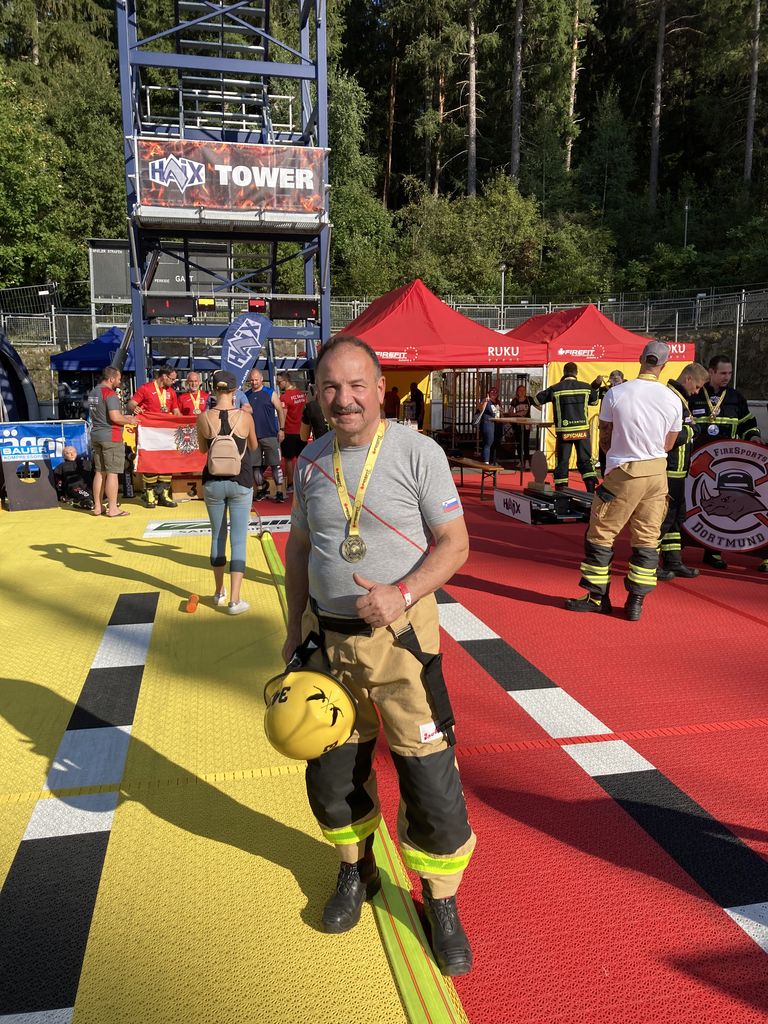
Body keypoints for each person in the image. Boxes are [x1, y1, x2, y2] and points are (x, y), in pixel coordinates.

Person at [283, 335, 476, 976]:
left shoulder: (418, 452)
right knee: (333, 776)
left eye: (357, 384)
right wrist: (292, 629)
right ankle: (356, 870)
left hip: (402, 645)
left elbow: (454, 544)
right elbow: (300, 550)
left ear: (379, 388)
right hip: (328, 645)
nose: (345, 399)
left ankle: (440, 901)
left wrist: (403, 592)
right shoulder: (311, 461)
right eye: (331, 387)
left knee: (431, 782)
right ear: (317, 394)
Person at [564, 341, 682, 621]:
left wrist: (618, 457)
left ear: (641, 359)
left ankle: (597, 597)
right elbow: (669, 444)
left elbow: (605, 437)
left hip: (625, 471)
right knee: (647, 539)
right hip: (658, 474)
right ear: (664, 365)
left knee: (601, 534)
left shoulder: (616, 393)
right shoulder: (673, 399)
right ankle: (635, 602)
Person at [689, 353, 764, 569]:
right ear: (711, 372)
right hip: (697, 464)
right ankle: (678, 549)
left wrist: (753, 436)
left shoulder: (736, 398)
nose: (727, 377)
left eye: (729, 373)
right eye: (722, 373)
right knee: (694, 504)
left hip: (726, 464)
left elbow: (747, 424)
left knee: (722, 508)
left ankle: (714, 551)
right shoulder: (695, 395)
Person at [196, 370, 259, 614]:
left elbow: (203, 450)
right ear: (235, 391)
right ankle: (235, 599)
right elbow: (253, 446)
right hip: (241, 480)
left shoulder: (203, 418)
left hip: (213, 481)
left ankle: (218, 591)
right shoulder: (245, 417)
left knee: (217, 536)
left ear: (213, 389)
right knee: (238, 540)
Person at [657, 362, 709, 580]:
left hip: (678, 472)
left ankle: (673, 561)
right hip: (668, 470)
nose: (696, 392)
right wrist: (692, 430)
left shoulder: (680, 399)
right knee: (662, 519)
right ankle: (648, 562)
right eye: (696, 387)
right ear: (688, 379)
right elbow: (667, 436)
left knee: (676, 518)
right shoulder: (670, 398)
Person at [534, 362, 599, 492]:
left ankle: (561, 491)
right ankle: (591, 491)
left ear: (564, 373)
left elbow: (537, 400)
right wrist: (595, 386)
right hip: (582, 431)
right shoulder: (585, 387)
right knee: (585, 460)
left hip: (564, 432)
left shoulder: (555, 388)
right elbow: (595, 401)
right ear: (576, 373)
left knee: (562, 462)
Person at [86, 366, 138, 517]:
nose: (120, 381)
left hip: (97, 434)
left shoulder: (94, 392)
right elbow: (115, 417)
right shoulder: (110, 394)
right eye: (119, 379)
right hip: (111, 436)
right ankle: (113, 508)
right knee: (112, 472)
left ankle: (98, 507)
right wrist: (130, 421)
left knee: (99, 472)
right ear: (111, 379)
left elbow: (103, 415)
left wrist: (123, 417)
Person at [128, 364, 181, 508]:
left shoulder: (171, 392)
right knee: (150, 461)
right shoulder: (146, 388)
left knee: (167, 460)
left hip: (166, 432)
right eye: (172, 379)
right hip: (150, 432)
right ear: (164, 376)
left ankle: (164, 493)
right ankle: (150, 493)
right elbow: (131, 403)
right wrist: (135, 408)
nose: (173, 382)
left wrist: (183, 421)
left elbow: (176, 411)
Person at [246, 368, 286, 503]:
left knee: (275, 464)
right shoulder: (246, 395)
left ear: (262, 379)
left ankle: (279, 492)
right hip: (253, 437)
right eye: (252, 380)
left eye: (256, 379)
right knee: (255, 466)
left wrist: (281, 429)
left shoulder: (270, 392)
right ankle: (260, 490)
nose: (254, 382)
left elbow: (280, 410)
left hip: (270, 434)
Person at [277, 372, 307, 492]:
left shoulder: (284, 397)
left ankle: (290, 484)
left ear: (285, 381)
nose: (278, 384)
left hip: (289, 431)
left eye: (279, 382)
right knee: (302, 458)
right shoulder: (301, 394)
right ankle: (303, 483)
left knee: (288, 459)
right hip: (302, 431)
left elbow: (283, 416)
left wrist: (281, 430)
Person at [593, 371, 626, 477]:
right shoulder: (605, 390)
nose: (614, 383)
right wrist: (596, 383)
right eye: (612, 380)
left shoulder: (626, 389)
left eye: (617, 380)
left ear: (622, 380)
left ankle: (620, 475)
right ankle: (604, 476)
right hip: (607, 425)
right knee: (604, 448)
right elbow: (592, 394)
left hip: (621, 425)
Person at [507, 383, 533, 467]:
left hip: (526, 424)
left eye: (523, 390)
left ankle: (527, 461)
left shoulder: (529, 399)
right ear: (517, 392)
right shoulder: (515, 400)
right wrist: (517, 414)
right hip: (517, 424)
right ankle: (521, 461)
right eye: (520, 390)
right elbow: (510, 412)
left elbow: (538, 406)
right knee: (519, 443)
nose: (521, 392)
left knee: (526, 443)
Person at [476, 385, 502, 464]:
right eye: (492, 391)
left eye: (496, 392)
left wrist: (501, 411)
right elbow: (480, 409)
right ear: (488, 393)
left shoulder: (498, 402)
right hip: (488, 424)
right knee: (488, 443)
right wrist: (485, 401)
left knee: (495, 443)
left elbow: (499, 413)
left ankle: (493, 461)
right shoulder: (486, 400)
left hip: (496, 425)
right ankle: (486, 462)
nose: (494, 393)